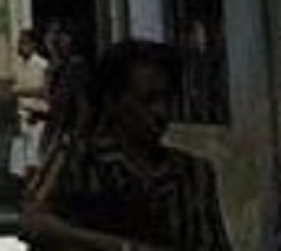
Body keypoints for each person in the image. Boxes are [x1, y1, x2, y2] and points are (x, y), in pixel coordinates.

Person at [21, 40, 232, 249]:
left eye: (166, 99)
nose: (161, 111)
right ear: (113, 102)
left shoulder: (193, 173)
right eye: (147, 100)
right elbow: (34, 224)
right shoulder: (81, 164)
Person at [42, 21, 90, 155]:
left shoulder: (76, 69)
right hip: (56, 133)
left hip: (67, 138)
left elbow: (82, 106)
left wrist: (75, 135)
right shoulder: (58, 69)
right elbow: (49, 97)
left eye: (59, 36)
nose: (56, 41)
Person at [10, 29, 50, 186]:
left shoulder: (42, 65)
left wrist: (21, 92)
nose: (20, 47)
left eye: (24, 43)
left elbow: (44, 92)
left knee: (35, 159)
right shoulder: (19, 66)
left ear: (33, 45)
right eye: (19, 43)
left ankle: (35, 188)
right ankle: (25, 189)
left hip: (37, 116)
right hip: (22, 115)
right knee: (20, 161)